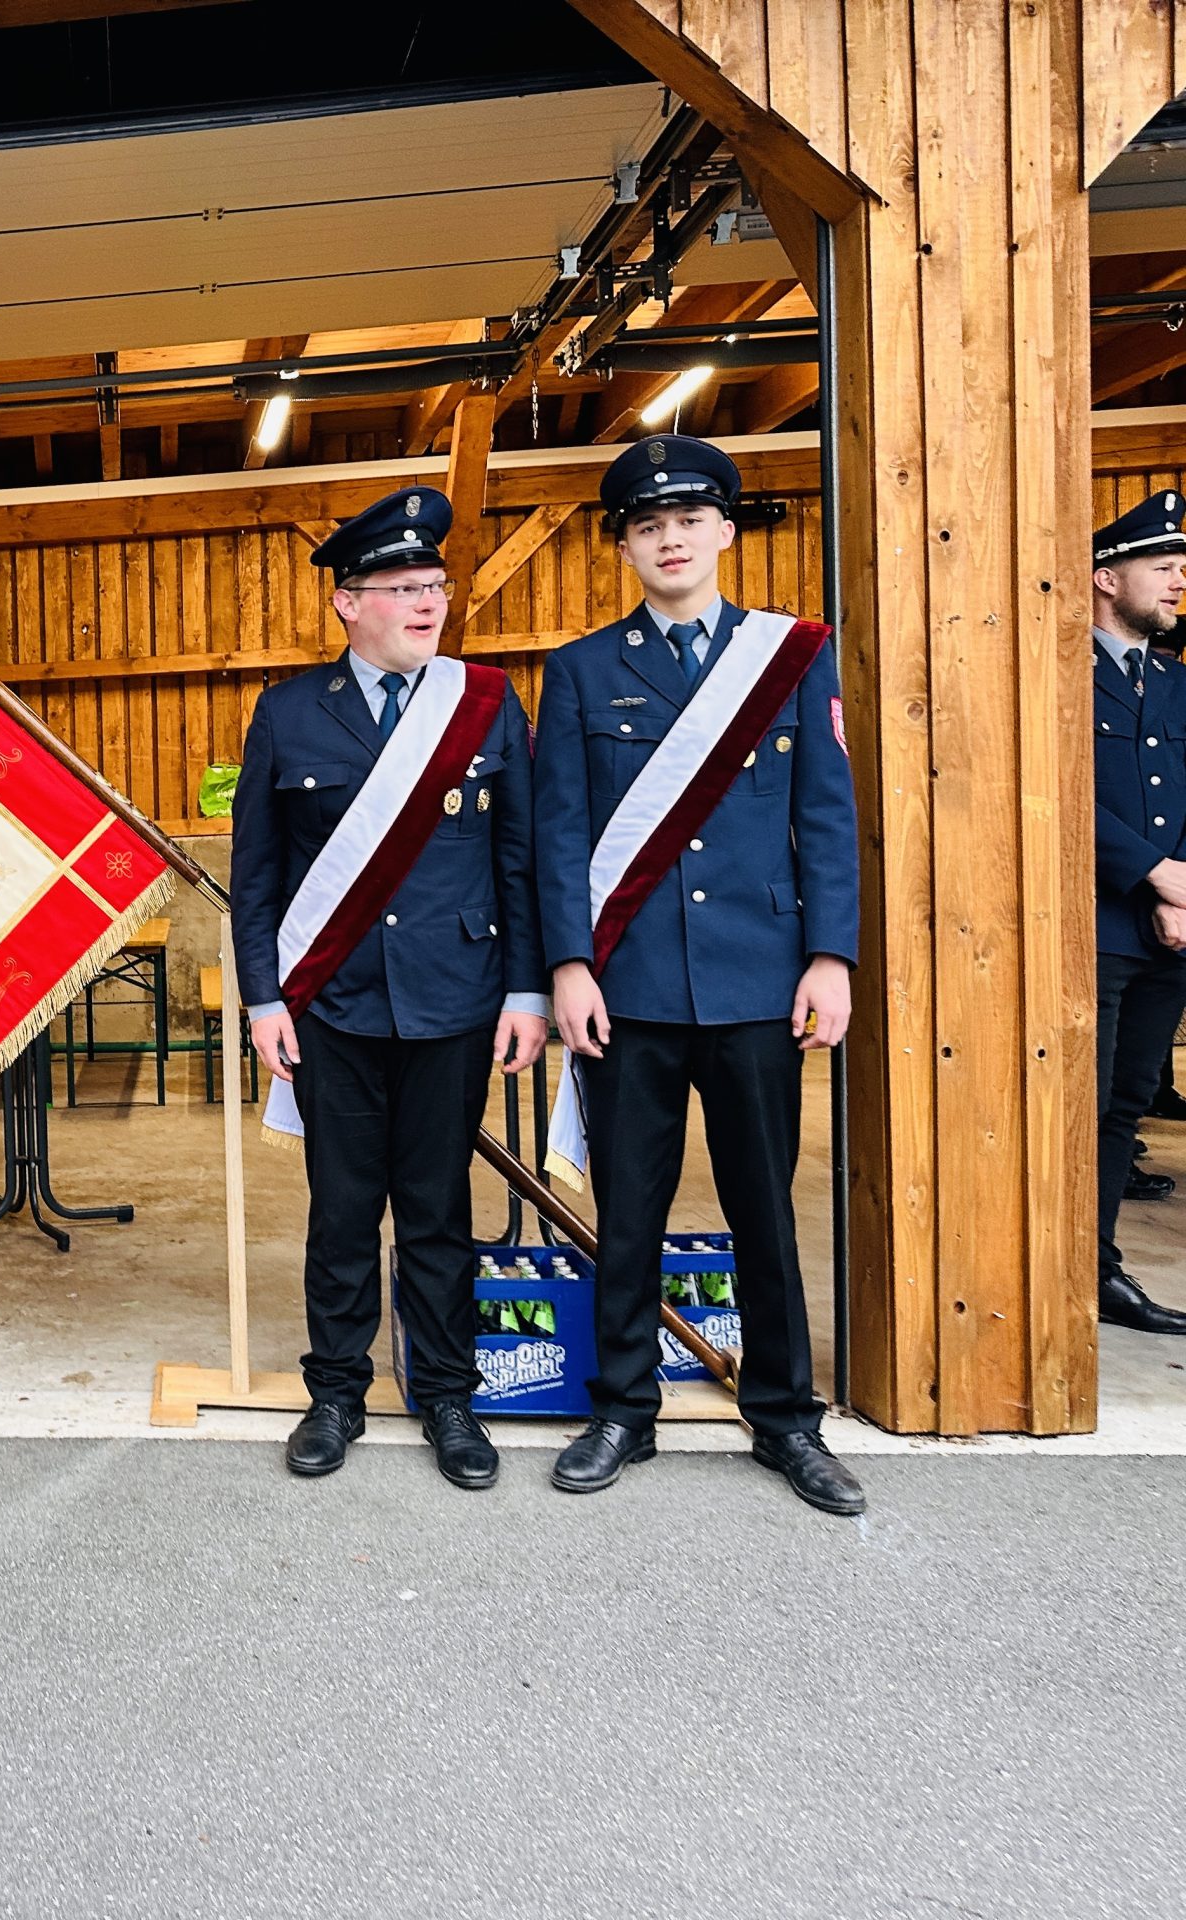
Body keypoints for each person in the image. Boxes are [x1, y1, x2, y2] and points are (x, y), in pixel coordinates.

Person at [533, 434, 865, 1515]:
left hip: (759, 980)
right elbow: (559, 832)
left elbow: (825, 814)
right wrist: (569, 966)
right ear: (623, 544)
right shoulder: (581, 669)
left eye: (688, 517)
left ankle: (784, 1420)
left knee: (763, 1207)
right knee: (627, 1210)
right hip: (625, 988)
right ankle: (623, 1409)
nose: (668, 537)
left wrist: (830, 954)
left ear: (725, 529)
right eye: (645, 523)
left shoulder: (791, 657)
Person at [231, 485, 548, 1486]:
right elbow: (258, 875)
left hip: (455, 998)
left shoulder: (488, 705)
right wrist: (263, 998)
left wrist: (526, 991)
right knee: (340, 1207)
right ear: (347, 603)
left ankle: (448, 1398)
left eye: (434, 585)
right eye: (401, 587)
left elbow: (518, 859)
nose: (425, 603)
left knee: (437, 1208)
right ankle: (335, 1392)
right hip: (334, 1005)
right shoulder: (287, 715)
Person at [1087, 490, 1186, 1337]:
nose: (1179, 581)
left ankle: (1102, 1270)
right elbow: (1059, 795)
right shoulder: (1058, 680)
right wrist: (1156, 874)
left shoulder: (1178, 685)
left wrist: (1183, 889)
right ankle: (1065, 1266)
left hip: (1172, 927)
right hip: (1098, 924)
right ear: (1105, 578)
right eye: (1163, 567)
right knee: (1082, 1104)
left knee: (1127, 1109)